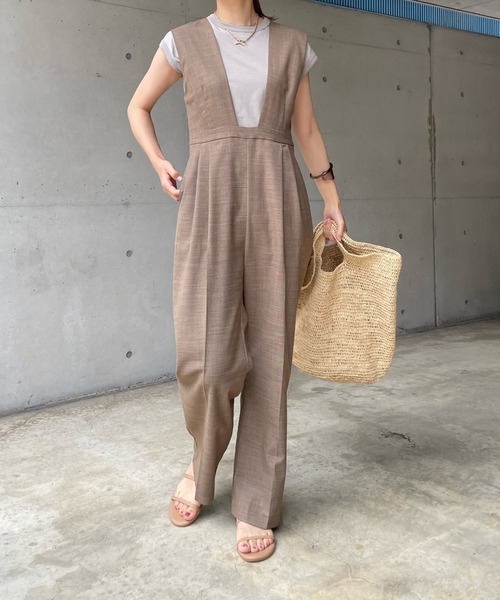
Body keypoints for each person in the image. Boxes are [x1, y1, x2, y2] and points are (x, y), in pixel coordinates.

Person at [127, 0, 347, 563]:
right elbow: (138, 105)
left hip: (278, 198)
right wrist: (158, 162)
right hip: (208, 201)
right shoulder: (182, 41)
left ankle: (257, 498)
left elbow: (306, 129)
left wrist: (331, 198)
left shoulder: (292, 45)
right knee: (207, 359)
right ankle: (201, 464)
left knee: (270, 357)